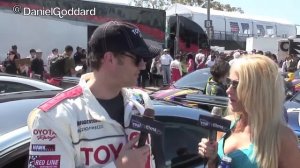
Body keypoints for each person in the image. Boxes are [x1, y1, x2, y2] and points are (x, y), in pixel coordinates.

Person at [27, 21, 156, 168]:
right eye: (138, 58)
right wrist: (118, 166)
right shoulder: (53, 116)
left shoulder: (142, 101)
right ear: (110, 59)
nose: (143, 65)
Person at [198, 54, 300, 168]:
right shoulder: (224, 125)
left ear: (258, 91)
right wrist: (212, 160)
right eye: (228, 82)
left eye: (236, 85)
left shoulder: (283, 138)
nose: (228, 90)